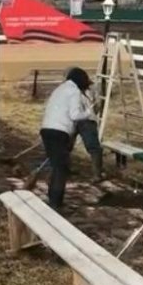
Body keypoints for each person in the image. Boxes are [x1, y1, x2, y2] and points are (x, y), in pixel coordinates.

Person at [37, 67, 97, 209]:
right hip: (59, 132)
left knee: (56, 165)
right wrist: (89, 112)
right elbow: (75, 115)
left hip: (46, 129)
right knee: (61, 169)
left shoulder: (59, 89)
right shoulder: (74, 91)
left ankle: (53, 197)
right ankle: (55, 204)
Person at [65, 67, 104, 183]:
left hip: (86, 120)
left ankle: (97, 175)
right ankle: (65, 169)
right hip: (74, 119)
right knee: (66, 146)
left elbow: (97, 106)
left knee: (93, 148)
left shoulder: (90, 89)